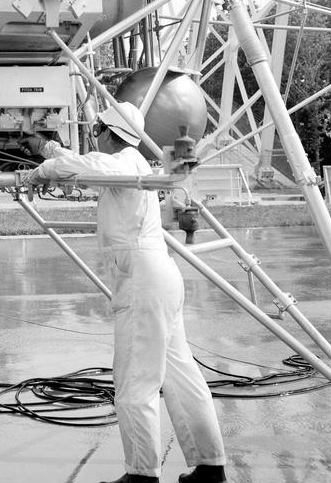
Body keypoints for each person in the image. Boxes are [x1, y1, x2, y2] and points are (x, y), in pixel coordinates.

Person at [25, 101, 227, 483]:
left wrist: (44, 169)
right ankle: (209, 466)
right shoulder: (130, 165)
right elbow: (90, 164)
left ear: (106, 131)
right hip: (159, 278)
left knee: (136, 380)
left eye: (96, 129)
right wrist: (48, 148)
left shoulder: (123, 164)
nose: (93, 135)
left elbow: (91, 166)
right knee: (181, 377)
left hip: (142, 283)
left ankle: (141, 475)